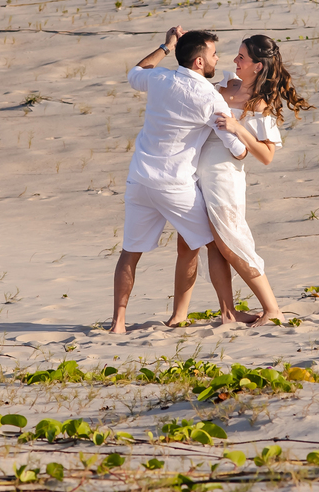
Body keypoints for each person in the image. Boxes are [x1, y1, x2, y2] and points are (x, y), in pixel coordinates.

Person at [108, 28, 252, 334]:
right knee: (214, 244)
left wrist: (166, 45)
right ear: (199, 62)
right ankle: (228, 312)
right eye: (214, 54)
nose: (218, 59)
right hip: (174, 185)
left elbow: (136, 73)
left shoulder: (159, 78)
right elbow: (239, 152)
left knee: (130, 253)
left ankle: (118, 323)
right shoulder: (210, 97)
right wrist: (237, 127)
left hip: (140, 178)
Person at [179, 34, 314, 328]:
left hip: (224, 179)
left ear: (257, 66)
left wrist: (239, 129)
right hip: (196, 174)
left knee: (232, 242)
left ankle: (272, 308)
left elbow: (266, 155)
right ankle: (228, 313)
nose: (235, 61)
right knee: (215, 245)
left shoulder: (260, 104)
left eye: (242, 58)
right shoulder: (225, 85)